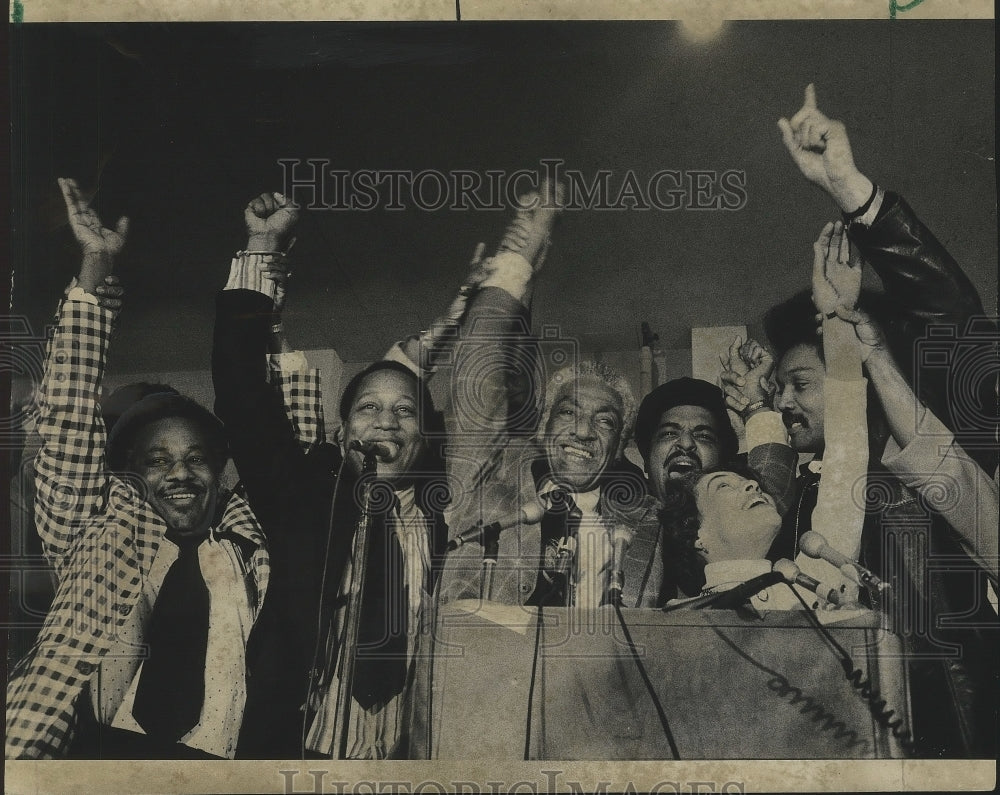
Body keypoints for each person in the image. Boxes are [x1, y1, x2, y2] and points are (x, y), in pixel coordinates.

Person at [5, 178, 270, 761]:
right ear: (129, 474)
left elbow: (268, 423)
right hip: (87, 757)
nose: (179, 473)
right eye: (157, 460)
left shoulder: (248, 540)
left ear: (221, 469)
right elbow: (70, 418)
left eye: (196, 458)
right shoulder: (97, 530)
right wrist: (96, 265)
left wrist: (263, 258)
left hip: (218, 766)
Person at [438, 184, 667, 611]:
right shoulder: (491, 479)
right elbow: (477, 373)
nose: (583, 431)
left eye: (605, 422)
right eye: (568, 413)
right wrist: (519, 261)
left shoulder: (647, 520)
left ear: (618, 449)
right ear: (543, 429)